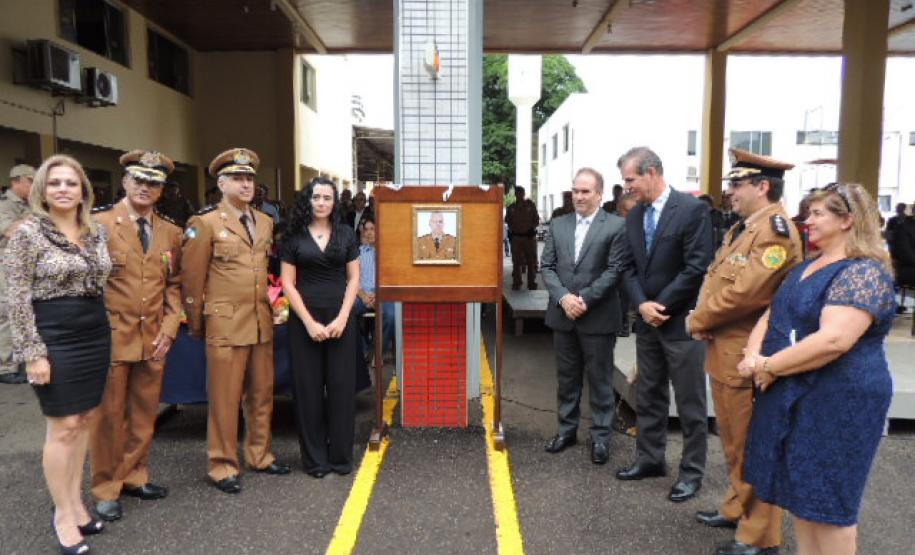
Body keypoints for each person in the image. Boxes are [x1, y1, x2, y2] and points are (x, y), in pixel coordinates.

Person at [739, 183, 896, 555]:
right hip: (798, 395)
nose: (806, 221)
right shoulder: (807, 267)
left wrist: (769, 365)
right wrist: (753, 355)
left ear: (847, 220)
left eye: (817, 214)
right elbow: (772, 314)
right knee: (802, 498)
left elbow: (834, 340)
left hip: (838, 400)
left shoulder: (863, 273)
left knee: (830, 506)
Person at [687, 149, 803, 555]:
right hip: (726, 347)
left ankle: (761, 536)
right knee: (733, 440)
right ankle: (739, 507)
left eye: (737, 184)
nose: (730, 192)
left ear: (762, 186)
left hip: (748, 352)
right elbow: (719, 281)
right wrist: (707, 320)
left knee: (752, 444)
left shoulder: (774, 231)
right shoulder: (744, 228)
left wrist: (698, 319)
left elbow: (746, 294)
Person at [5, 154, 112, 554]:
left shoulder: (95, 231)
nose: (63, 189)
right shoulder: (27, 233)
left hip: (93, 332)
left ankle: (76, 503)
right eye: (54, 183)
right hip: (53, 335)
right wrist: (33, 352)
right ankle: (63, 515)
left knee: (83, 421)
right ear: (41, 190)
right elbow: (16, 296)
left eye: (70, 182)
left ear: (83, 189)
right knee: (63, 426)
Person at [181, 148, 291, 494]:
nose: (246, 185)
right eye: (238, 179)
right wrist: (196, 323)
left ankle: (260, 455)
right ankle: (222, 464)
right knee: (225, 399)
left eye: (249, 179)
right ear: (221, 183)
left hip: (259, 321)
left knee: (261, 395)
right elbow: (192, 279)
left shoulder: (264, 221)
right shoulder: (205, 223)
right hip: (225, 323)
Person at [88, 151, 184, 522]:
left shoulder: (170, 231)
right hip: (112, 334)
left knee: (144, 413)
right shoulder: (98, 224)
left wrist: (170, 327)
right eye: (139, 180)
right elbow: (88, 284)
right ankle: (106, 488)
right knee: (108, 417)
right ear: (125, 181)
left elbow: (174, 284)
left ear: (162, 190)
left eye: (153, 183)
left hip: (154, 336)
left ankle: (135, 475)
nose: (145, 188)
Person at [615, 146, 713, 503]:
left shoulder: (691, 210)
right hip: (647, 322)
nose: (627, 187)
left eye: (631, 179)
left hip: (680, 324)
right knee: (649, 395)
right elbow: (627, 267)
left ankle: (691, 473)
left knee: (690, 402)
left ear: (652, 172)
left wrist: (662, 305)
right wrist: (642, 304)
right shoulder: (634, 216)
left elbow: (696, 266)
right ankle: (650, 459)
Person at [540, 167, 627, 465]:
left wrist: (584, 299)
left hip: (598, 316)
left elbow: (615, 270)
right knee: (567, 379)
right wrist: (564, 297)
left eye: (585, 191)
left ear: (599, 194)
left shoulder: (616, 226)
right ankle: (566, 431)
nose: (578, 196)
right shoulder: (558, 224)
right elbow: (547, 267)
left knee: (600, 380)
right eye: (575, 190)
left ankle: (601, 437)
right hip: (563, 315)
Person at [280, 177, 361, 477]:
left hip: (341, 319)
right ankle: (315, 461)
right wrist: (309, 323)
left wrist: (342, 317)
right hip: (304, 320)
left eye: (327, 198)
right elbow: (288, 283)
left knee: (341, 389)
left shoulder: (345, 233)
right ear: (308, 200)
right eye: (316, 197)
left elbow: (354, 278)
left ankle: (340, 458)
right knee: (308, 391)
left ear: (334, 202)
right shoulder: (294, 236)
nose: (322, 203)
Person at [0, 164, 35, 384]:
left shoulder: (27, 205)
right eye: (31, 181)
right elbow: (11, 231)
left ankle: (20, 359)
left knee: (24, 310)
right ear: (17, 181)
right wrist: (37, 215)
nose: (34, 186)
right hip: (6, 265)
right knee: (7, 312)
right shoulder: (4, 205)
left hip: (24, 265)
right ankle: (5, 367)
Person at [354, 217, 394, 359]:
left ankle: (378, 351)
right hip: (362, 294)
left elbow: (391, 279)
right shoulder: (358, 253)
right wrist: (364, 296)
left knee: (392, 315)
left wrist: (378, 295)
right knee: (346, 311)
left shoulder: (388, 253)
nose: (369, 232)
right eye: (366, 230)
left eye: (372, 229)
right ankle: (363, 349)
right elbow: (352, 279)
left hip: (383, 295)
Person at [505, 185, 540, 290]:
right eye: (517, 193)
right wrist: (512, 230)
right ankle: (517, 282)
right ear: (515, 194)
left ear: (523, 194)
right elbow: (508, 221)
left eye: (521, 192)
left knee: (531, 261)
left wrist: (532, 228)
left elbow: (536, 219)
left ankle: (531, 283)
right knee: (516, 262)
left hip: (529, 237)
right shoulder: (511, 207)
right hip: (516, 238)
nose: (519, 194)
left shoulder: (530, 205)